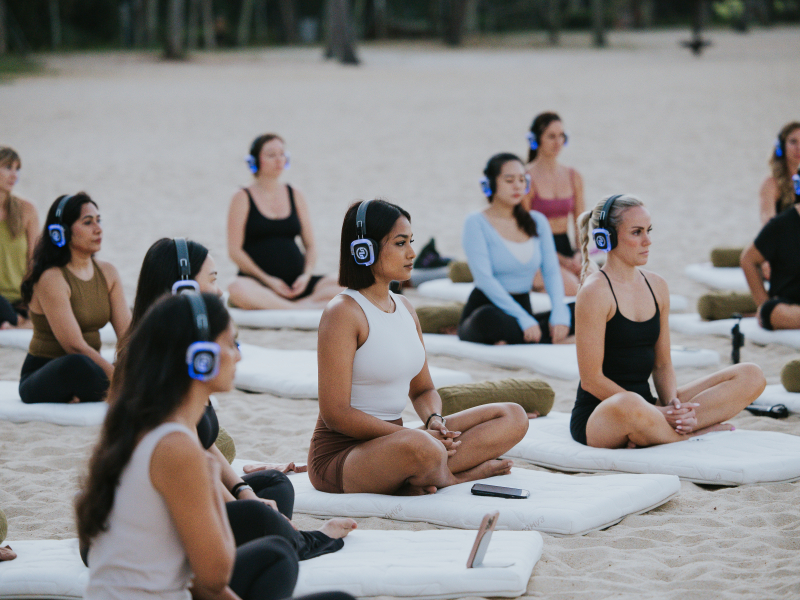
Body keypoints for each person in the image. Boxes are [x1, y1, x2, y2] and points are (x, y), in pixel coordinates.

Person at [76, 292, 356, 600]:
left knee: (275, 553)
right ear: (202, 357)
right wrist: (210, 480)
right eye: (231, 344)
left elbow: (204, 586)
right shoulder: (176, 448)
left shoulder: (149, 426)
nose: (238, 356)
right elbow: (215, 575)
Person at [127, 237, 355, 561]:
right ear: (185, 290)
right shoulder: (153, 367)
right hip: (168, 508)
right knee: (261, 519)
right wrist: (244, 507)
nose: (219, 291)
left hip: (192, 490)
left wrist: (243, 491)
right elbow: (195, 469)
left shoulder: (185, 352)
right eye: (212, 280)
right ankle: (300, 542)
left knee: (275, 485)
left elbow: (205, 446)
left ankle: (275, 538)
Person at [310, 199, 529, 495]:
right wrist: (416, 437)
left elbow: (423, 390)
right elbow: (336, 414)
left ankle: (423, 473)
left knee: (512, 416)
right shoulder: (343, 312)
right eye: (400, 243)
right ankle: (453, 476)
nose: (412, 253)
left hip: (400, 442)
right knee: (423, 447)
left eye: (410, 242)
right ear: (364, 250)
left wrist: (434, 420)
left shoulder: (405, 307)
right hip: (343, 456)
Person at [571, 194, 766, 448]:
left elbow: (662, 365)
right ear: (605, 238)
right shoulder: (594, 292)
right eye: (637, 232)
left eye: (648, 230)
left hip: (650, 408)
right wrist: (655, 412)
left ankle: (666, 429)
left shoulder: (657, 286)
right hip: (605, 414)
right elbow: (591, 380)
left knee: (751, 375)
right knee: (630, 403)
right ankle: (685, 435)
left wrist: (674, 406)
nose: (647, 241)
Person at [18, 193, 130, 404]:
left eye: (98, 221)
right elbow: (75, 346)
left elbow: (127, 335)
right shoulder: (51, 278)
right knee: (77, 364)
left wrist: (137, 367)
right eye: (87, 222)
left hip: (91, 369)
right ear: (60, 232)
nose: (98, 229)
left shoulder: (108, 272)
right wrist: (119, 379)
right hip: (48, 373)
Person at [458, 153, 573, 346]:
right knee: (487, 319)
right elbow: (484, 279)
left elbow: (551, 271)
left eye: (522, 180)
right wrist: (523, 318)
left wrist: (559, 312)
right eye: (509, 180)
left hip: (524, 309)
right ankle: (549, 338)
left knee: (580, 309)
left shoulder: (537, 221)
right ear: (490, 184)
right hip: (487, 309)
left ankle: (529, 337)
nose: (517, 186)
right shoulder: (475, 222)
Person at [227, 134, 341, 309]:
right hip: (259, 284)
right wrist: (268, 280)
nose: (279, 160)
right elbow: (235, 251)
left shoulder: (295, 193)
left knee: (346, 284)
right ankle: (299, 308)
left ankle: (293, 306)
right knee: (236, 288)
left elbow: (310, 246)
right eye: (271, 155)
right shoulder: (241, 196)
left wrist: (306, 276)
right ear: (255, 161)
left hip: (298, 284)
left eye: (282, 154)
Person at [523, 112, 585, 295]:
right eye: (551, 136)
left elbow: (580, 223)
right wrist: (562, 261)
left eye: (561, 136)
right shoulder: (526, 178)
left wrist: (579, 254)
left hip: (566, 248)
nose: (557, 142)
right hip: (538, 251)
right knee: (574, 288)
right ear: (536, 139)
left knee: (597, 283)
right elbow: (525, 230)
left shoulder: (573, 176)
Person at [740, 202, 800, 330]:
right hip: (788, 305)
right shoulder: (782, 224)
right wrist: (762, 303)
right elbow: (748, 260)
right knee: (774, 312)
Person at [0, 147, 39, 329]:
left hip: (20, 300)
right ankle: (16, 322)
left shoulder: (27, 210)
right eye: (8, 167)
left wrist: (33, 301)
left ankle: (17, 321)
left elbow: (34, 261)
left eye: (17, 169)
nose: (14, 175)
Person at [758, 121, 800, 224]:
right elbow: (768, 225)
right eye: (793, 142)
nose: (798, 148)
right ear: (781, 146)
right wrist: (795, 212)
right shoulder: (771, 184)